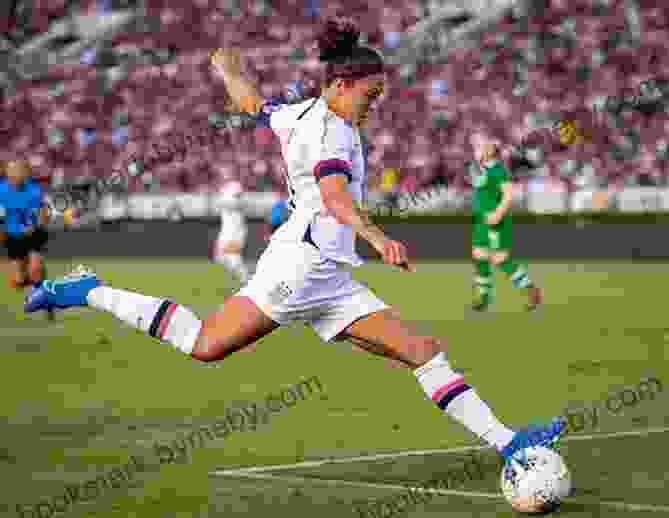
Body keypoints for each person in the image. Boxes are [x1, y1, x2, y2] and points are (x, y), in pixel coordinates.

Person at [25, 18, 564, 504]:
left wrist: (229, 71)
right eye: (369, 95)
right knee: (204, 344)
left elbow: (252, 106)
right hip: (299, 270)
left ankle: (510, 442)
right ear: (339, 85)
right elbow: (334, 197)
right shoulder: (332, 129)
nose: (373, 105)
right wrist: (377, 238)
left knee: (422, 351)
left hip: (327, 273)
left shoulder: (301, 113)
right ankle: (88, 290)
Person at [469, 136, 543, 312]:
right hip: (482, 221)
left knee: (500, 258)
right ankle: (484, 296)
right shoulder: (480, 170)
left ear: (492, 151)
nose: (479, 149)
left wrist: (497, 213)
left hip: (496, 220)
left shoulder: (499, 170)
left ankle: (531, 291)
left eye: (483, 147)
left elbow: (508, 195)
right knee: (479, 255)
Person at [0, 158, 53, 320]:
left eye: (20, 171)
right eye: (12, 171)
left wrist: (37, 223)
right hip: (13, 236)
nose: (16, 174)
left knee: (35, 269)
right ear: (7, 174)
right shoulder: (1, 190)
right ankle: (40, 283)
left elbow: (44, 213)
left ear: (25, 173)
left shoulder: (34, 190)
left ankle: (46, 300)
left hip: (33, 234)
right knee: (18, 281)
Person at [211, 180, 251, 284]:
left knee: (233, 256)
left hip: (235, 232)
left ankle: (246, 279)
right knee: (219, 258)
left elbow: (232, 201)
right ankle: (240, 274)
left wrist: (223, 198)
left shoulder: (235, 199)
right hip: (226, 231)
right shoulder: (226, 197)